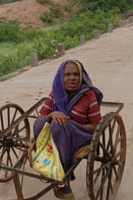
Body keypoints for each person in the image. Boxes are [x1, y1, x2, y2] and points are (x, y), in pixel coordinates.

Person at [33, 60, 103, 200]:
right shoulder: (56, 91)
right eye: (67, 75)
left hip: (81, 134)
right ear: (61, 76)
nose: (72, 78)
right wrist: (52, 115)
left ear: (81, 76)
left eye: (76, 74)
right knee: (40, 122)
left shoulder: (88, 94)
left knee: (59, 125)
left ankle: (63, 179)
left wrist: (68, 124)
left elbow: (96, 125)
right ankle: (45, 162)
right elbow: (43, 116)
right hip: (57, 132)